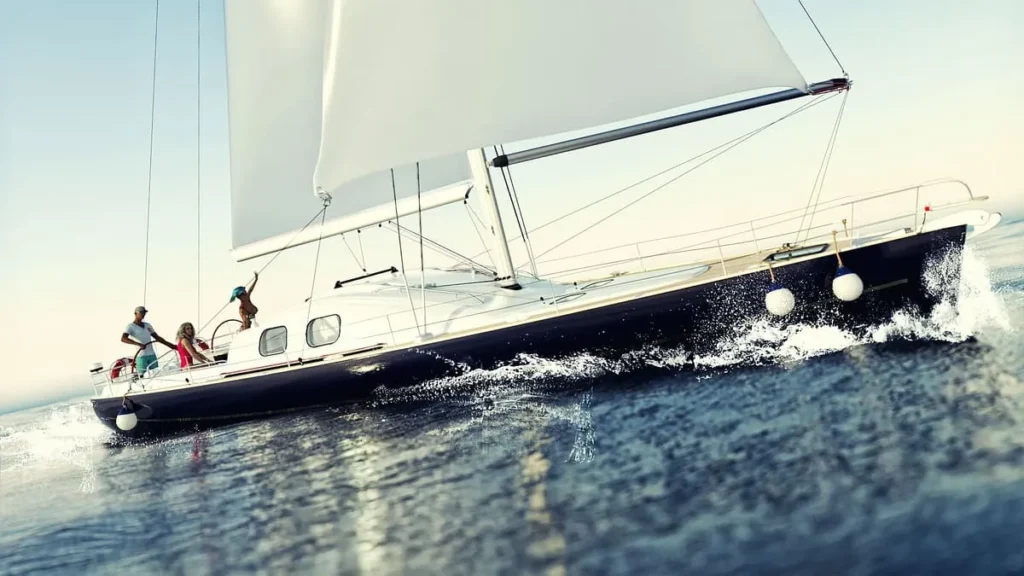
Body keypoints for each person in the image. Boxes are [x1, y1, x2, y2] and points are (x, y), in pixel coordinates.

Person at [121, 306, 176, 376]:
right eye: (141, 312)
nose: (143, 314)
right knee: (142, 376)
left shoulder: (148, 325)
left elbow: (157, 338)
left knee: (156, 374)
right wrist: (138, 344)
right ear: (135, 313)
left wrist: (171, 346)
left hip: (152, 355)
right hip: (141, 356)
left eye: (144, 312)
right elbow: (123, 338)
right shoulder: (130, 326)